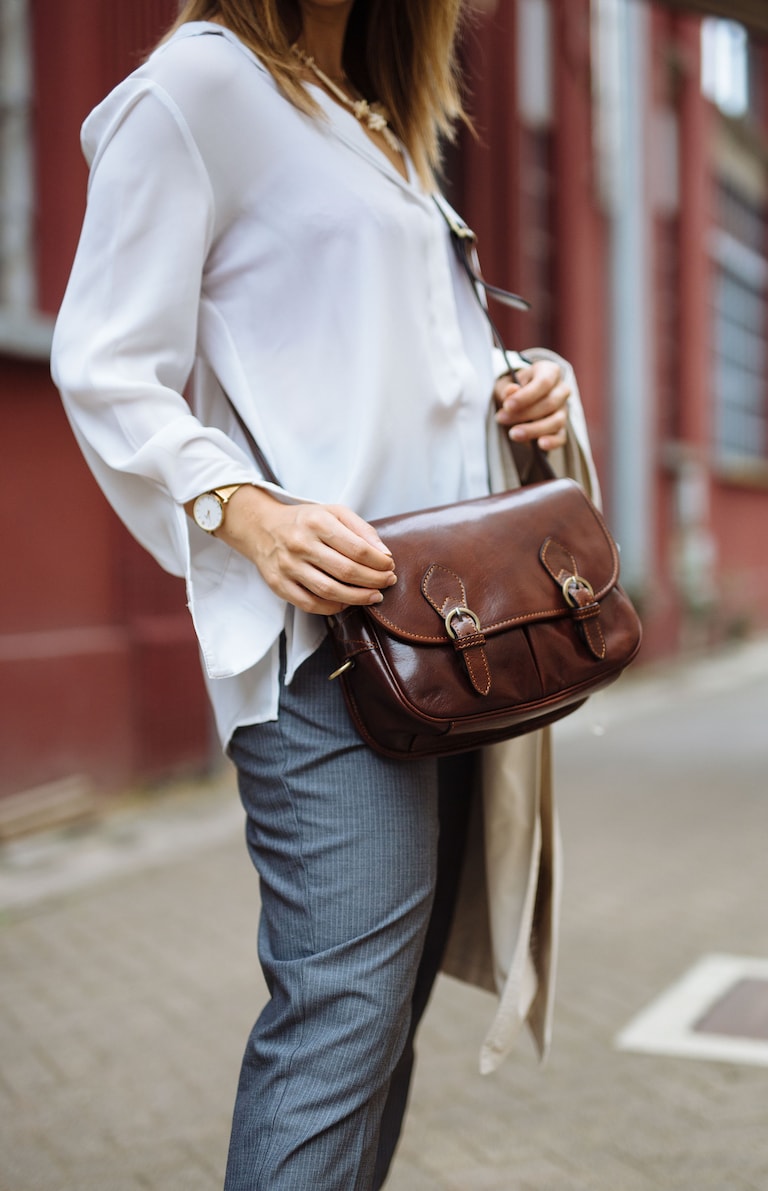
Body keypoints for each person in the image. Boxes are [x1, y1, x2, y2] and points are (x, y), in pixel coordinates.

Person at [51, 1, 600, 1186]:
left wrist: (522, 382)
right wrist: (243, 509)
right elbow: (103, 359)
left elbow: (372, 361)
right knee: (339, 1024)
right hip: (329, 655)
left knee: (380, 1021)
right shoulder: (198, 88)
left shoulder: (375, 118)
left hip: (450, 647)